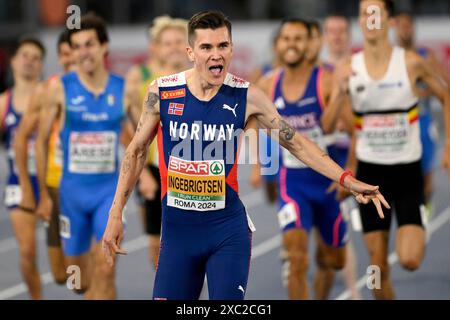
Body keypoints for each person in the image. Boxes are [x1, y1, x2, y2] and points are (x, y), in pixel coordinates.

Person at [102, 10, 389, 300]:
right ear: (191, 52)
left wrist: (346, 179)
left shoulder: (247, 97)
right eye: (206, 47)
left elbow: (297, 144)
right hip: (178, 236)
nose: (216, 55)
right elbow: (136, 152)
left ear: (231, 49)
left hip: (227, 233)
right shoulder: (162, 92)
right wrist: (116, 214)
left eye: (222, 46)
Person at [340, 0, 450, 299]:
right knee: (376, 267)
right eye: (365, 13)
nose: (371, 19)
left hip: (406, 173)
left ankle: (419, 218)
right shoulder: (349, 68)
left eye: (377, 13)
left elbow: (445, 94)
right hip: (370, 175)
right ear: (360, 21)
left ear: (389, 20)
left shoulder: (412, 61)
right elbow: (341, 125)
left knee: (410, 260)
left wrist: (449, 145)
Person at [37, 13, 141, 299]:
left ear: (104, 47)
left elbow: (140, 140)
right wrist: (44, 195)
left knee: (106, 272)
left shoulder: (124, 90)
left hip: (108, 195)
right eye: (77, 46)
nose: (84, 52)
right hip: (71, 195)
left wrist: (143, 178)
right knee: (79, 282)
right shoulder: (59, 89)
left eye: (90, 44)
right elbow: (41, 141)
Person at [257, 18, 352, 300]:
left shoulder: (326, 79)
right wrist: (261, 165)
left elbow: (352, 130)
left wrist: (350, 173)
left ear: (310, 44)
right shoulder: (267, 84)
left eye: (298, 39)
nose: (291, 44)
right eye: (286, 39)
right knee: (296, 258)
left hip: (328, 184)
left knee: (334, 260)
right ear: (278, 44)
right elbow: (251, 126)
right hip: (293, 183)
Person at [125, 16, 190, 269]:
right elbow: (129, 128)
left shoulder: (199, 78)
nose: (174, 47)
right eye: (167, 43)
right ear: (156, 47)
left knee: (192, 244)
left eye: (179, 41)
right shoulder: (141, 79)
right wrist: (142, 176)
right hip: (154, 170)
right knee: (158, 247)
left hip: (191, 170)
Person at [14, 29, 75, 288]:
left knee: (88, 269)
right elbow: (23, 138)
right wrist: (36, 192)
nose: (71, 58)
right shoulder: (49, 90)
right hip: (54, 185)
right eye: (65, 54)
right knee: (62, 276)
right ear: (60, 58)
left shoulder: (106, 88)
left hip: (86, 189)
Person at [0, 37, 45, 299]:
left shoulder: (51, 97)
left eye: (35, 57)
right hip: (19, 182)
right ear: (14, 61)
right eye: (24, 55)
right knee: (27, 251)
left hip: (54, 181)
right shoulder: (4, 103)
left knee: (66, 264)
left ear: (41, 66)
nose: (29, 60)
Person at [322, 14, 362, 300]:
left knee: (343, 223)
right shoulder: (319, 71)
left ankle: (352, 291)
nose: (336, 36)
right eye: (331, 31)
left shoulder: (360, 67)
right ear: (325, 36)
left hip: (352, 149)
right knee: (321, 227)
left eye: (341, 31)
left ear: (349, 35)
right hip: (322, 152)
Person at [395, 11, 450, 213]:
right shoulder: (391, 58)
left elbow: (445, 86)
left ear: (414, 29)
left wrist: (423, 91)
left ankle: (425, 209)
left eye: (408, 25)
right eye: (401, 26)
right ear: (393, 28)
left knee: (426, 175)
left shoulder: (426, 56)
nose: (405, 30)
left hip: (424, 121)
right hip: (400, 125)